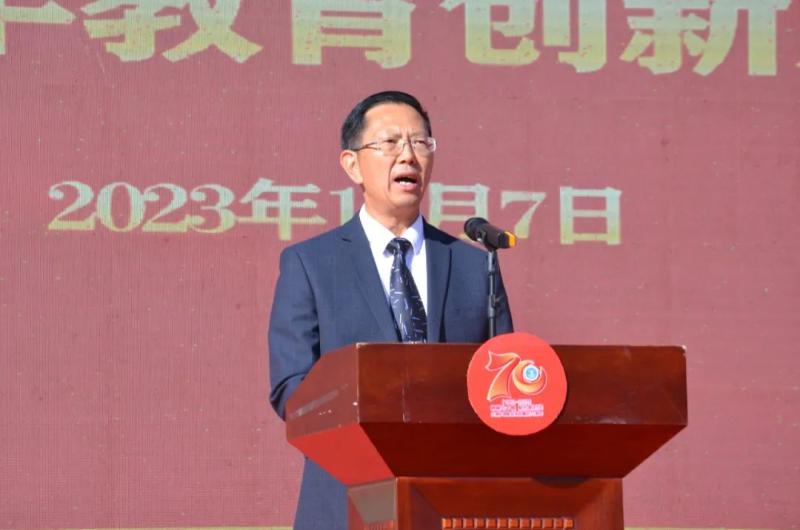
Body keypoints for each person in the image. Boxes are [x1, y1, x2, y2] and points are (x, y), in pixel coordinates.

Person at [268, 91, 513, 530]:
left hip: (453, 502)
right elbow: (292, 388)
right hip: (346, 499)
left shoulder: (475, 266)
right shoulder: (310, 264)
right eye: (390, 143)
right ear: (352, 164)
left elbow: (504, 385)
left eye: (420, 143)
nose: (408, 156)